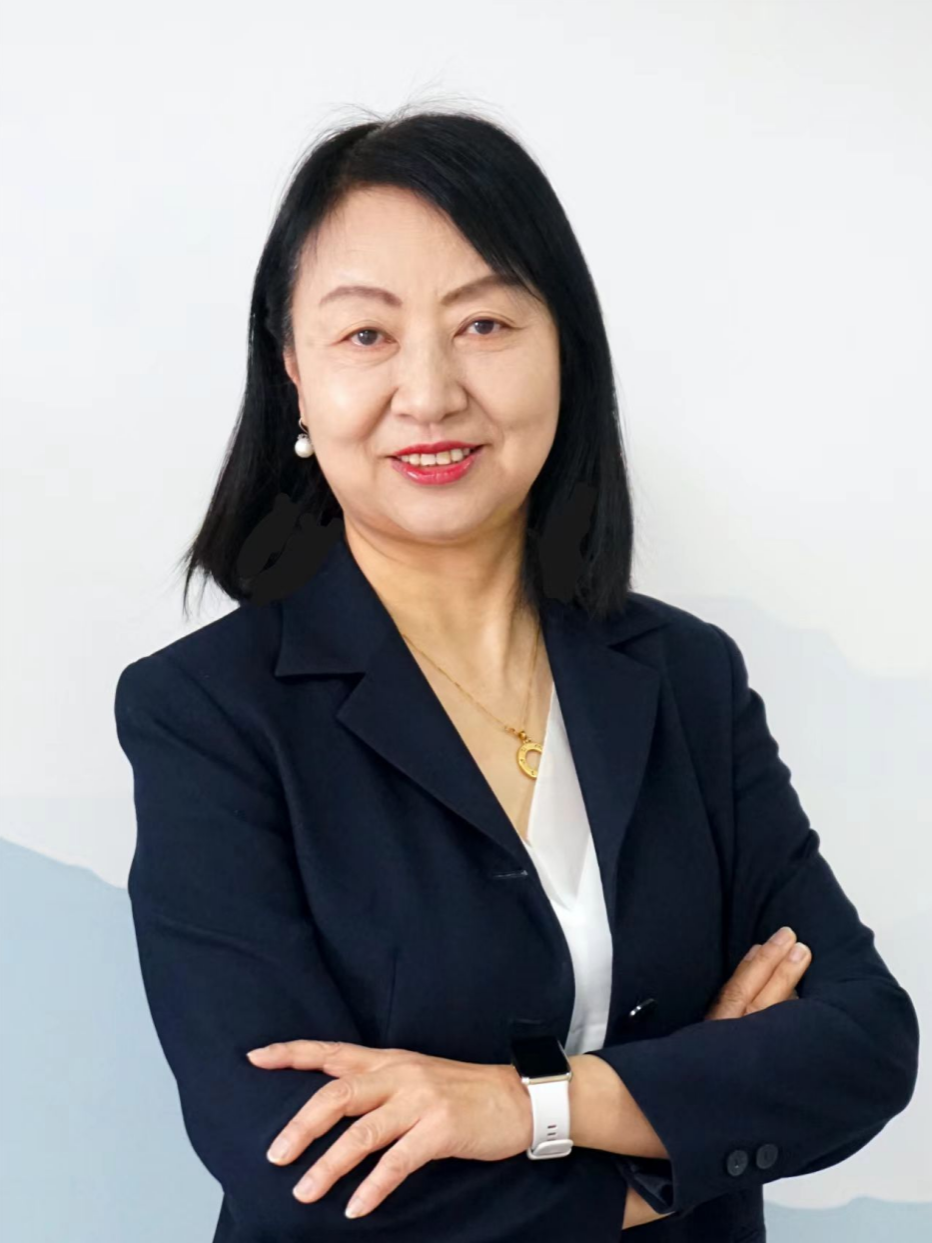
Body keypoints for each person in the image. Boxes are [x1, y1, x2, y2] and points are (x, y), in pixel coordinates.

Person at [114, 107, 919, 1242]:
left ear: (563, 349)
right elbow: (300, 1170)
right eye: (366, 335)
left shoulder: (685, 677)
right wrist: (674, 1144)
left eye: (484, 323)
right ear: (293, 373)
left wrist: (524, 1105)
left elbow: (864, 1041)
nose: (430, 392)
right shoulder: (207, 712)